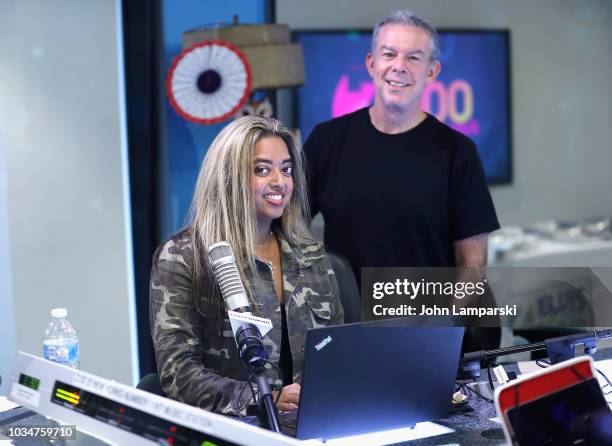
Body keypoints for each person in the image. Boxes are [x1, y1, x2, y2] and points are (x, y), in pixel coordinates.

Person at [150, 116, 343, 415]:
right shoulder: (182, 257)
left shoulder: (311, 255)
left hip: (318, 425)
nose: (280, 182)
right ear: (227, 177)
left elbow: (338, 354)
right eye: (262, 170)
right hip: (236, 429)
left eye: (287, 170)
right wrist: (264, 400)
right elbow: (179, 374)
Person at [304, 10, 500, 280]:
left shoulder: (458, 153)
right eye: (389, 54)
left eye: (413, 58)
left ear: (431, 72)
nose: (399, 66)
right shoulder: (325, 140)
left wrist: (443, 322)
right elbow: (286, 228)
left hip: (426, 317)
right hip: (344, 319)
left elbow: (473, 264)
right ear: (371, 64)